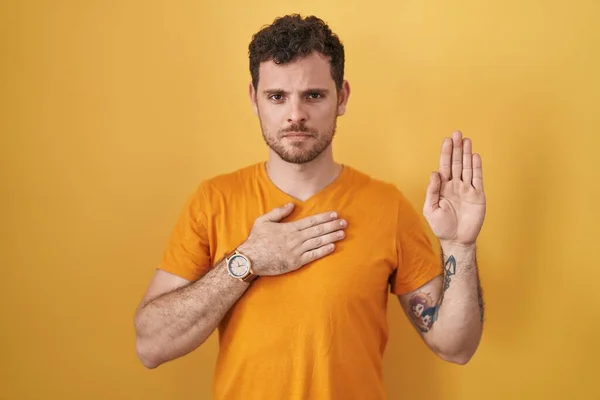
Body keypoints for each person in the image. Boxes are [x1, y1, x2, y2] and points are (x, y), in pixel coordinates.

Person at [134, 14, 486, 400]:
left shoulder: (389, 208)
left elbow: (456, 346)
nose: (295, 114)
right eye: (277, 96)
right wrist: (247, 261)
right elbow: (151, 345)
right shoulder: (214, 200)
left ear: (343, 97)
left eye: (313, 95)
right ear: (254, 98)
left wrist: (460, 247)